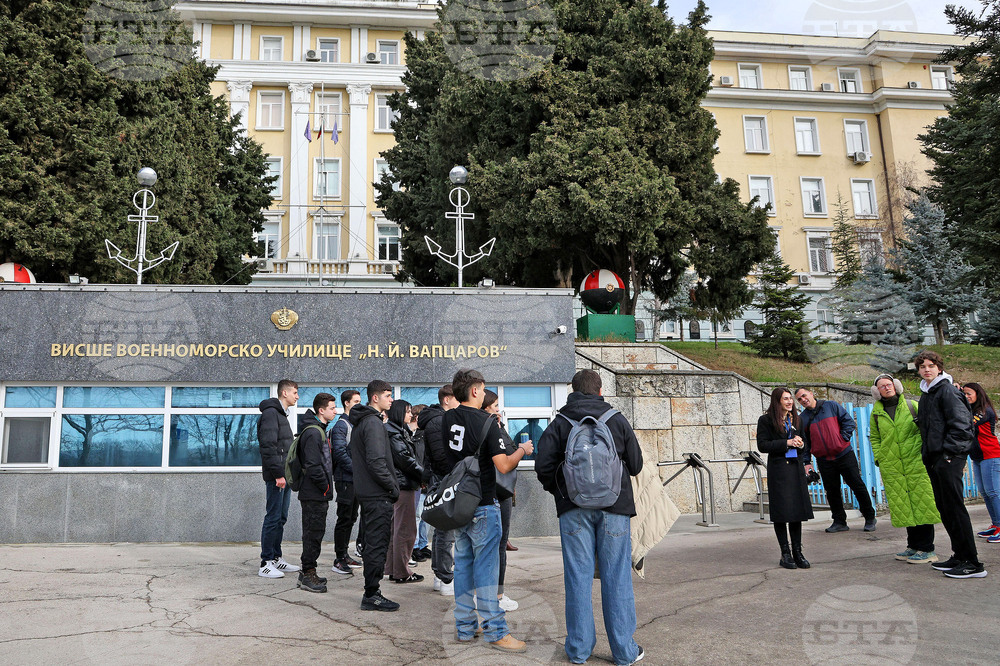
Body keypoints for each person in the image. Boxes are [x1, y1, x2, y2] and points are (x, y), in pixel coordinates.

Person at [536, 369, 645, 666]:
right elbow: (635, 465)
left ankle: (579, 650)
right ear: (600, 390)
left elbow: (543, 467)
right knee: (617, 578)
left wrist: (564, 492)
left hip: (573, 511)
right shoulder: (616, 419)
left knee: (578, 578)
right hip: (615, 510)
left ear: (572, 390)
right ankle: (624, 651)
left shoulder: (560, 422)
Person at [441, 369, 532, 653]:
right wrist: (522, 450)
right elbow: (504, 465)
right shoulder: (486, 422)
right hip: (483, 503)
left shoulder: (447, 418)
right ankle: (496, 631)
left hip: (459, 504)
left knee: (464, 567)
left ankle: (465, 628)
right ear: (476, 391)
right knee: (488, 572)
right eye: (483, 388)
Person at [915, 350, 986, 578]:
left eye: (931, 365)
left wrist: (948, 456)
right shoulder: (928, 393)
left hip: (948, 459)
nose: (927, 369)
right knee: (945, 509)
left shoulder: (946, 390)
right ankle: (959, 555)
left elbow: (963, 427)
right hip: (935, 459)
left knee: (955, 509)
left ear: (939, 368)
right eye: (923, 366)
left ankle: (972, 563)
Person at [869, 374, 940, 564]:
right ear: (877, 391)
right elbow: (874, 438)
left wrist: (925, 453)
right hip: (892, 466)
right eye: (882, 386)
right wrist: (879, 458)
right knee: (904, 505)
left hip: (916, 463)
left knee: (922, 503)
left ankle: (927, 549)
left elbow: (926, 428)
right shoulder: (876, 414)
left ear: (896, 386)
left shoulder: (911, 406)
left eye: (889, 384)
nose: (887, 388)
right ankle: (913, 546)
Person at [349, 380, 402, 610]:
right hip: (377, 494)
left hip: (371, 493)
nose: (391, 399)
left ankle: (372, 591)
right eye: (388, 395)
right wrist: (392, 487)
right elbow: (376, 461)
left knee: (374, 542)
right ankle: (372, 594)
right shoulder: (372, 423)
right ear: (375, 398)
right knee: (377, 544)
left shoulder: (366, 422)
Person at [795, 387, 877, 533]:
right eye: (799, 399)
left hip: (844, 454)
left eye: (804, 395)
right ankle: (839, 521)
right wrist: (807, 462)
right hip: (824, 459)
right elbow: (805, 443)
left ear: (811, 394)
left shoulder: (831, 406)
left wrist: (842, 439)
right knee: (832, 491)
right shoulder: (803, 419)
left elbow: (849, 422)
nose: (803, 400)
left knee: (857, 485)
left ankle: (870, 517)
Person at [756, 388, 815, 570]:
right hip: (779, 470)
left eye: (791, 399)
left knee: (796, 512)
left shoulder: (797, 419)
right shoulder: (766, 420)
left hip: (795, 470)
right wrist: (787, 443)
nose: (790, 402)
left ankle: (798, 552)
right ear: (777, 401)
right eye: (785, 399)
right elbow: (763, 445)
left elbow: (804, 443)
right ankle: (785, 553)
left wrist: (801, 444)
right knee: (782, 513)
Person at [256, 379, 301, 578]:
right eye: (295, 392)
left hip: (285, 476)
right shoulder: (270, 414)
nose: (297, 396)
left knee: (281, 518)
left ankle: (276, 558)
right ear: (284, 393)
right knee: (273, 517)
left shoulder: (281, 415)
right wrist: (278, 475)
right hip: (277, 477)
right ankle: (265, 562)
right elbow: (268, 447)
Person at [418, 384, 460, 596]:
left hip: (439, 479)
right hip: (444, 480)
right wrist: (456, 475)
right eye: (456, 398)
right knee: (446, 531)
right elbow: (442, 457)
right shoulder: (439, 421)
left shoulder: (437, 420)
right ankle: (445, 577)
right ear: (446, 399)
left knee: (441, 531)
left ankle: (439, 575)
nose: (459, 403)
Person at [482, 389, 521, 612]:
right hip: (497, 492)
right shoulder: (491, 427)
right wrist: (523, 450)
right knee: (498, 545)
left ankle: (487, 593)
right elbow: (507, 455)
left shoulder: (492, 425)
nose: (499, 409)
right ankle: (497, 595)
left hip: (495, 490)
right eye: (495, 405)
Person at [295, 393, 338, 593]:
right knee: (312, 534)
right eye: (332, 408)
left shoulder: (318, 430)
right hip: (314, 493)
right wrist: (326, 487)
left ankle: (308, 571)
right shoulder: (313, 433)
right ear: (321, 410)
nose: (335, 411)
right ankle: (308, 573)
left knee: (315, 533)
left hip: (316, 493)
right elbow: (312, 465)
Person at [384, 400, 424, 583]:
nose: (411, 415)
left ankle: (394, 570)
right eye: (408, 412)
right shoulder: (394, 433)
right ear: (400, 413)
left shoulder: (397, 431)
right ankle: (401, 572)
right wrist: (425, 475)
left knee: (397, 529)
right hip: (403, 486)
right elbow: (405, 460)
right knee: (405, 530)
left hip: (400, 485)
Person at [961, 383, 1000, 543]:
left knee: (993, 492)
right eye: (964, 394)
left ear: (978, 394)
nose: (966, 397)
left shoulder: (984, 411)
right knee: (984, 492)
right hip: (978, 457)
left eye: (969, 393)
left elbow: (967, 425)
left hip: (990, 455)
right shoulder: (972, 410)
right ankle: (996, 524)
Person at [330, 389, 364, 575]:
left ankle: (345, 555)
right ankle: (339, 558)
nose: (359, 404)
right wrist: (357, 470)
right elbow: (340, 453)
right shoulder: (342, 425)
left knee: (351, 518)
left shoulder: (354, 424)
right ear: (346, 404)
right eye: (356, 401)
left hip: (355, 479)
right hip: (345, 480)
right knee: (344, 519)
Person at [410, 403, 433, 563]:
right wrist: (421, 477)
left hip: (427, 480)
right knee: (417, 515)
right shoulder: (414, 436)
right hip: (419, 481)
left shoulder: (426, 435)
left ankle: (423, 544)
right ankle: (415, 546)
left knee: (426, 516)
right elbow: (416, 459)